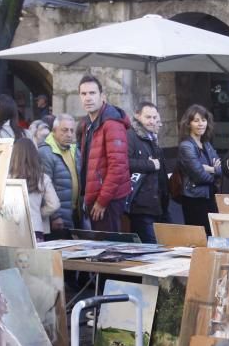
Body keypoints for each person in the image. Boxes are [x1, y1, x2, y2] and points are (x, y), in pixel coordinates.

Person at [77, 74, 132, 232]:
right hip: (96, 198)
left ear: (103, 96)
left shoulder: (111, 123)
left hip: (109, 200)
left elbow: (118, 166)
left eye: (92, 93)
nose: (88, 98)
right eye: (84, 94)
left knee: (110, 250)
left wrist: (102, 201)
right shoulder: (88, 124)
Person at [125, 101, 169, 243]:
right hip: (141, 205)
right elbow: (124, 163)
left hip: (158, 205)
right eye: (148, 117)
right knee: (151, 248)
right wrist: (149, 164)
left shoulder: (152, 137)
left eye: (154, 117)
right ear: (137, 116)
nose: (152, 121)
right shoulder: (130, 136)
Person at [177, 104, 221, 233]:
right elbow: (199, 175)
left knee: (213, 235)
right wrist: (214, 172)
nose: (201, 124)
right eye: (196, 121)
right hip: (194, 199)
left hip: (209, 197)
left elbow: (220, 169)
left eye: (203, 120)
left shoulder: (206, 144)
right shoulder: (186, 146)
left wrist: (211, 169)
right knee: (199, 239)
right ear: (189, 123)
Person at [10, 139, 60, 242]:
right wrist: (38, 212)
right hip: (36, 227)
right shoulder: (42, 178)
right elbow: (54, 204)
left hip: (11, 229)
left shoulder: (6, 178)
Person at [39, 114, 81, 233]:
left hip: (75, 213)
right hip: (58, 217)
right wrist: (55, 216)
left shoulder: (74, 150)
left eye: (72, 131)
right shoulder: (45, 152)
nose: (69, 134)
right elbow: (44, 188)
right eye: (64, 130)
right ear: (54, 130)